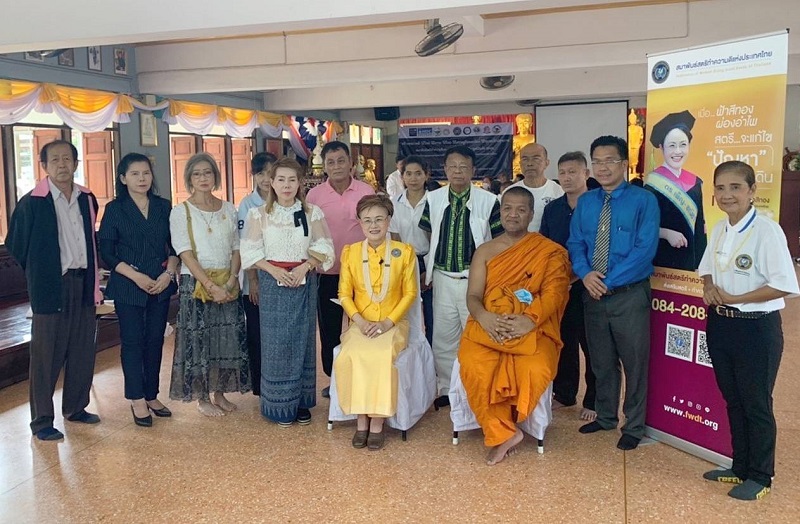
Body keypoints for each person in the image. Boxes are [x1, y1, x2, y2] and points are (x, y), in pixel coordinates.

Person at [698, 160, 799, 501]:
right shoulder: (720, 228)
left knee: (756, 403)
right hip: (721, 324)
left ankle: (761, 475)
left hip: (756, 329)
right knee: (733, 399)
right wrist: (709, 286)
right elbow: (707, 268)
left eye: (736, 187)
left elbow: (784, 284)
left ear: (752, 191)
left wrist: (737, 298)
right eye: (721, 188)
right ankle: (739, 466)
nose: (727, 195)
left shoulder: (767, 231)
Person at [460, 187, 571, 465]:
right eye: (508, 208)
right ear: (500, 212)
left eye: (521, 210)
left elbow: (555, 293)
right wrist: (483, 317)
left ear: (531, 214)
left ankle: (507, 423)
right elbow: (473, 295)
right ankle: (504, 433)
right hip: (489, 325)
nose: (513, 215)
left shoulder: (548, 251)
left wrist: (529, 320)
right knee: (474, 364)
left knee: (534, 367)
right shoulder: (486, 251)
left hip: (533, 326)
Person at [567, 135, 659, 451]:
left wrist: (606, 281)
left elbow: (644, 249)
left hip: (628, 294)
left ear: (624, 164)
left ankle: (633, 426)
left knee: (634, 363)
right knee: (601, 361)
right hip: (592, 293)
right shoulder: (586, 202)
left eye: (609, 161)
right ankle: (605, 416)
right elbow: (576, 243)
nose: (603, 168)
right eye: (597, 161)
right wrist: (585, 274)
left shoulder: (644, 200)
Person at [6, 140, 103, 441]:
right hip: (51, 286)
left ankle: (76, 407)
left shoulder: (87, 198)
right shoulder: (32, 202)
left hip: (83, 282)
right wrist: (42, 271)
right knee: (46, 355)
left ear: (76, 164)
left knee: (82, 349)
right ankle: (42, 421)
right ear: (44, 166)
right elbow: (16, 244)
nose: (62, 164)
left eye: (67, 159)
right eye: (55, 160)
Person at [240, 158, 335, 427]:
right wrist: (274, 271)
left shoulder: (311, 212)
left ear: (300, 183)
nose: (286, 185)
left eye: (292, 180)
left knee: (303, 339)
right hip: (273, 283)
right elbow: (250, 252)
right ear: (271, 182)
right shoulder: (258, 214)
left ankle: (301, 401)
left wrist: (306, 266)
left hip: (304, 280)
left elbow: (325, 247)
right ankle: (279, 404)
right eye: (281, 179)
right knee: (277, 344)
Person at [419, 145, 503, 407]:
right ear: (444, 169)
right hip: (443, 278)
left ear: (473, 170)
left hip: (475, 282)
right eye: (452, 166)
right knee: (443, 337)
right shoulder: (433, 199)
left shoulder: (489, 201)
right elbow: (429, 232)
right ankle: (447, 388)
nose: (457, 171)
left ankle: (474, 388)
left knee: (476, 335)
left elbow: (497, 239)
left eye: (463, 167)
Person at [98, 153, 179, 427]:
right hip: (128, 284)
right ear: (123, 178)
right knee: (133, 342)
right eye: (134, 174)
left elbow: (175, 246)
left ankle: (151, 394)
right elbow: (107, 252)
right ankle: (136, 398)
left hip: (160, 283)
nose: (142, 178)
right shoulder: (115, 209)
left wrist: (168, 274)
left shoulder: (163, 206)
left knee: (155, 340)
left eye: (146, 173)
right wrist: (136, 277)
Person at [169, 152, 250, 416]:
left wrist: (231, 280)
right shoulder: (181, 212)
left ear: (215, 176)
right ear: (189, 179)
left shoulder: (228, 208)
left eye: (207, 173)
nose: (203, 178)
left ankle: (220, 393)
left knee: (226, 340)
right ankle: (202, 398)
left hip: (227, 283)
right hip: (195, 284)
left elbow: (237, 247)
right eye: (197, 174)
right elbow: (184, 252)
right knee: (199, 341)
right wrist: (209, 285)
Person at [335, 195, 418, 451]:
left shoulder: (404, 252)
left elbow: (410, 294)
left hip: (393, 324)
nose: (374, 225)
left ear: (389, 221)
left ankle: (378, 422)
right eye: (367, 220)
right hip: (361, 323)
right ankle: (361, 419)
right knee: (351, 354)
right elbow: (344, 294)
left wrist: (388, 323)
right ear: (360, 223)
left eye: (379, 219)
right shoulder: (350, 253)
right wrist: (359, 322)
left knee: (381, 355)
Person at [306, 141, 375, 397]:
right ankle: (335, 379)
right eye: (331, 162)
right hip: (326, 274)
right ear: (324, 166)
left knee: (363, 326)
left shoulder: (365, 191)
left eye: (341, 161)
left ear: (351, 164)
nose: (336, 166)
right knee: (330, 330)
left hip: (361, 274)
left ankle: (363, 377)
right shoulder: (314, 196)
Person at [540, 151, 597, 421]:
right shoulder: (553, 209)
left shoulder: (599, 206)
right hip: (560, 287)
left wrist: (578, 276)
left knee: (593, 344)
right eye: (562, 173)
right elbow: (546, 247)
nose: (567, 177)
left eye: (573, 172)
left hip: (591, 286)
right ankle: (565, 393)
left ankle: (594, 400)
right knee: (563, 340)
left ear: (586, 174)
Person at [645, 110, 707, 271]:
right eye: (672, 145)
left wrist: (701, 264)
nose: (678, 151)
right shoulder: (652, 186)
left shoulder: (695, 182)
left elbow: (699, 226)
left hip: (690, 261)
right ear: (661, 147)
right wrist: (665, 233)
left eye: (683, 145)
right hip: (661, 259)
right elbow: (642, 227)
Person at [237, 152, 277, 397]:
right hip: (256, 281)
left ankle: (276, 379)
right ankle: (260, 386)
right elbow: (247, 245)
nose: (265, 179)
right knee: (257, 333)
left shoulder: (284, 199)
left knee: (276, 334)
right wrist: (253, 281)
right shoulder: (247, 204)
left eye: (270, 173)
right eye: (260, 173)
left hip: (281, 279)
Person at [389, 155, 433, 346]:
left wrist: (428, 271)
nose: (413, 178)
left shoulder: (434, 201)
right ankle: (408, 356)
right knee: (406, 315)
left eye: (418, 173)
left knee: (432, 317)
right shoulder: (394, 203)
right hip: (404, 262)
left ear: (426, 175)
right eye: (408, 174)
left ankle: (431, 358)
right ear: (402, 177)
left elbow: (436, 239)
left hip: (429, 261)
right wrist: (404, 268)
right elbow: (395, 240)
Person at [505, 143, 564, 232]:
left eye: (536, 159)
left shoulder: (559, 192)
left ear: (546, 163)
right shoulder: (509, 193)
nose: (529, 164)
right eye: (525, 159)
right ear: (520, 163)